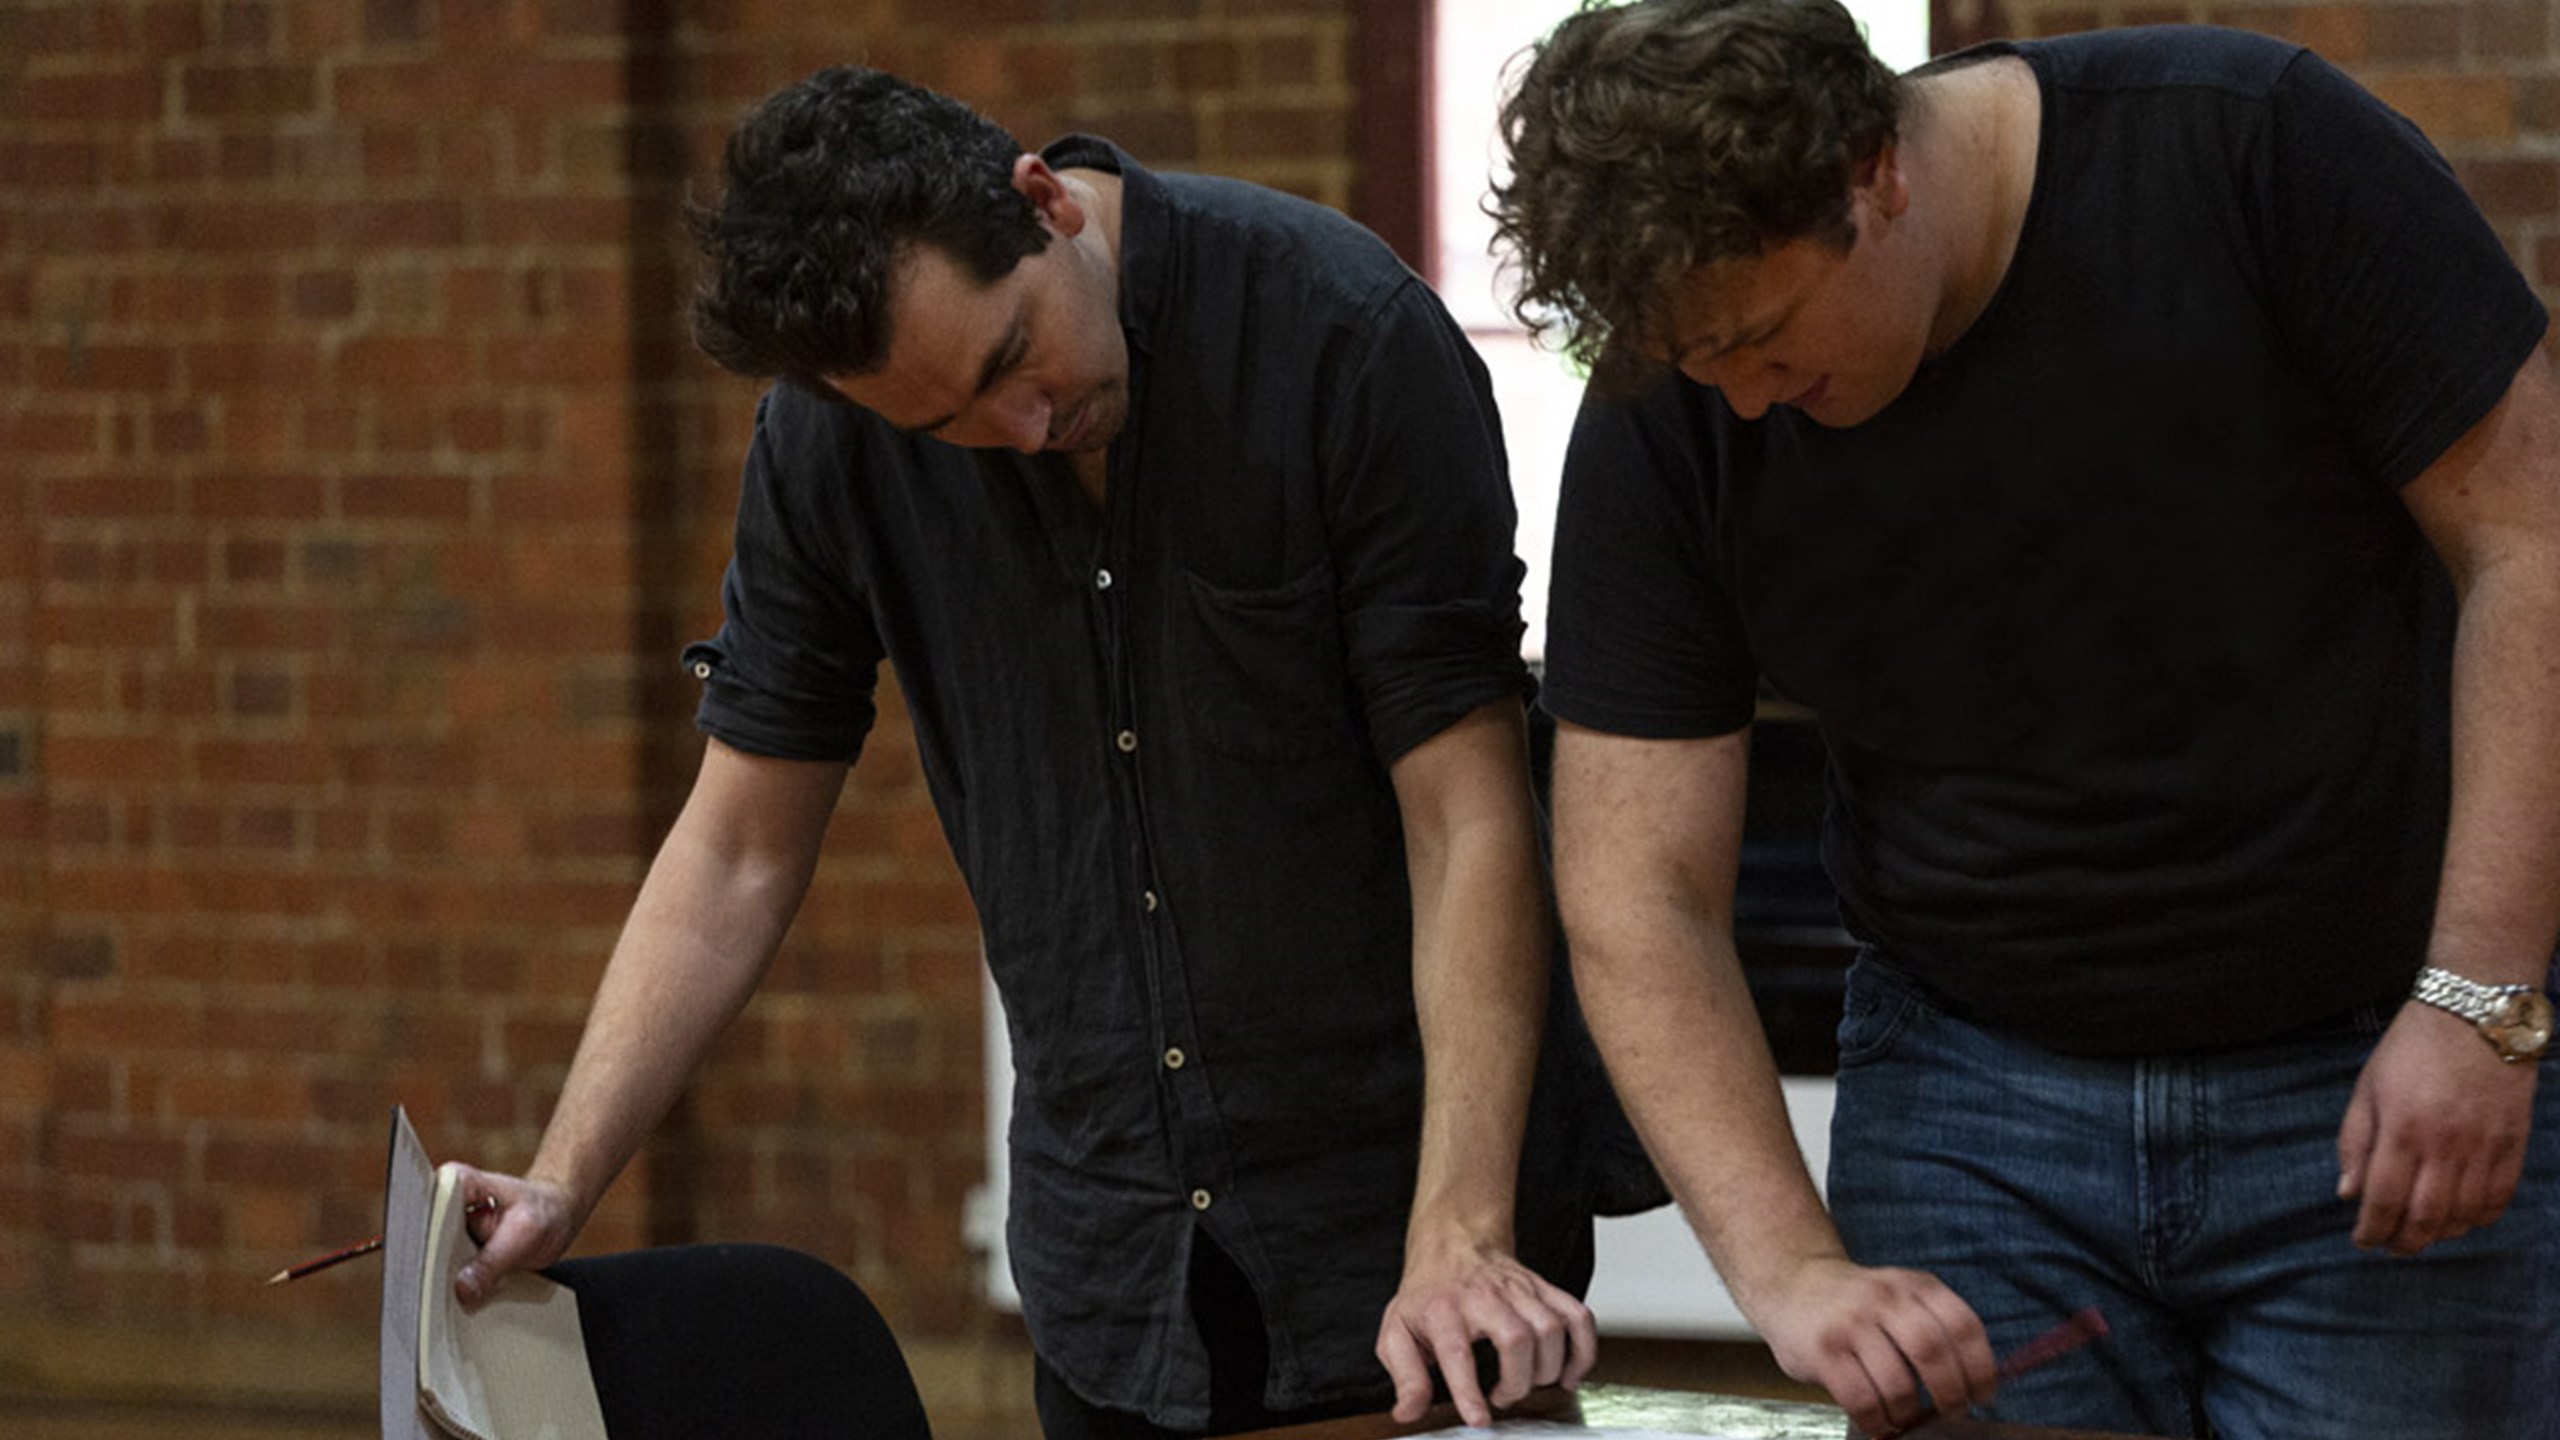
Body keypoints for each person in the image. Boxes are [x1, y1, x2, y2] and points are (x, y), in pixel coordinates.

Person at [441, 65, 1651, 1439]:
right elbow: (735, 850)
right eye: (945, 422)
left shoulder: (1339, 333)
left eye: (1011, 359)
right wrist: (564, 1177)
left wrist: (1461, 1234)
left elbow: (1469, 818)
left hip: (1410, 1219)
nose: (1017, 428)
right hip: (1113, 1259)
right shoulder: (830, 439)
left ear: (1042, 202)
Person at [1489, 2, 2560, 1437]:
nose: (1742, 401)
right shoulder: (1674, 398)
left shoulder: (2252, 147)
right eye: (1698, 363)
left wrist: (2479, 1001)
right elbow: (1636, 887)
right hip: (1970, 1102)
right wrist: (1789, 1267)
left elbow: (2533, 544)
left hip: (2374, 1058)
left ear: (1876, 171)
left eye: (1761, 338)